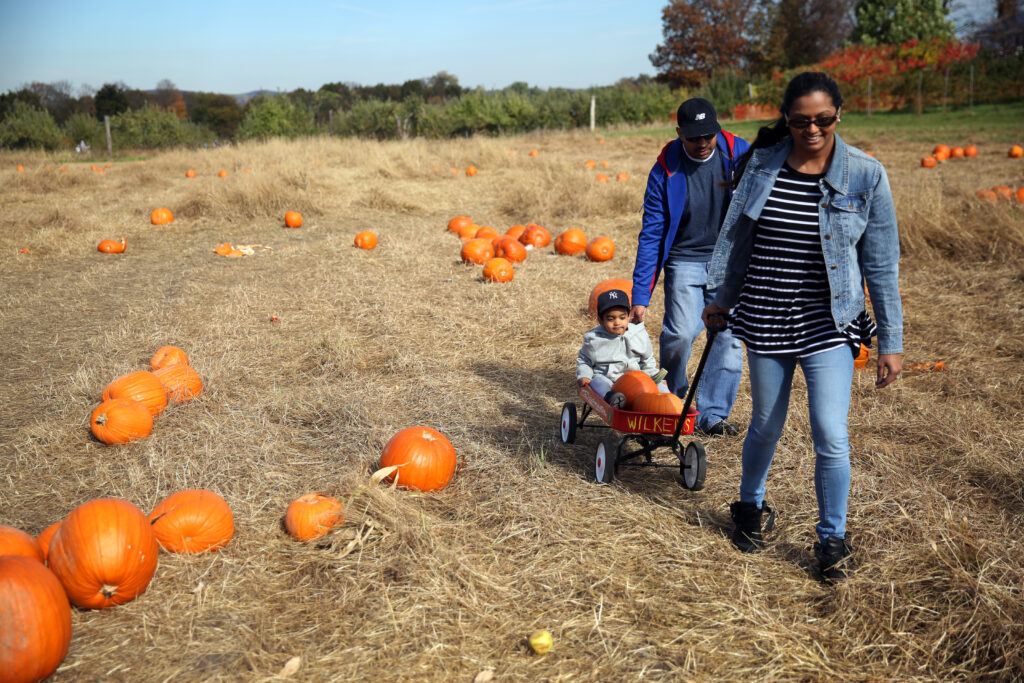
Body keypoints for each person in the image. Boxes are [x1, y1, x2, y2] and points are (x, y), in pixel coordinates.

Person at [702, 72, 903, 581]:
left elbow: (880, 264)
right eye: (800, 121)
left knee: (830, 435)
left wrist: (891, 341)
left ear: (839, 114)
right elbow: (736, 239)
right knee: (766, 423)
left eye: (823, 119)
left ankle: (832, 539)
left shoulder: (866, 174)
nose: (812, 129)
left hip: (829, 322)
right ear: (786, 119)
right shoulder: (762, 166)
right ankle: (749, 507)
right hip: (766, 314)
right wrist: (719, 299)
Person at [630, 97, 750, 437]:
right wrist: (641, 294)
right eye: (694, 137)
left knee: (726, 338)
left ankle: (713, 416)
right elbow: (652, 233)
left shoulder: (739, 155)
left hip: (728, 259)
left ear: (717, 129)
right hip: (684, 258)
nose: (701, 144)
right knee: (680, 334)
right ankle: (672, 403)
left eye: (707, 136)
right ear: (679, 133)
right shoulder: (665, 168)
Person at [577, 289, 664, 403]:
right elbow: (584, 360)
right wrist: (584, 375)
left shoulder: (638, 334)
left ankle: (670, 402)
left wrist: (654, 378)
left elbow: (647, 360)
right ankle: (613, 400)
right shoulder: (594, 339)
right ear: (600, 320)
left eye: (622, 318)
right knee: (597, 381)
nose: (617, 322)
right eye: (610, 319)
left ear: (628, 317)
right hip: (610, 383)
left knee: (661, 385)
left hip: (636, 383)